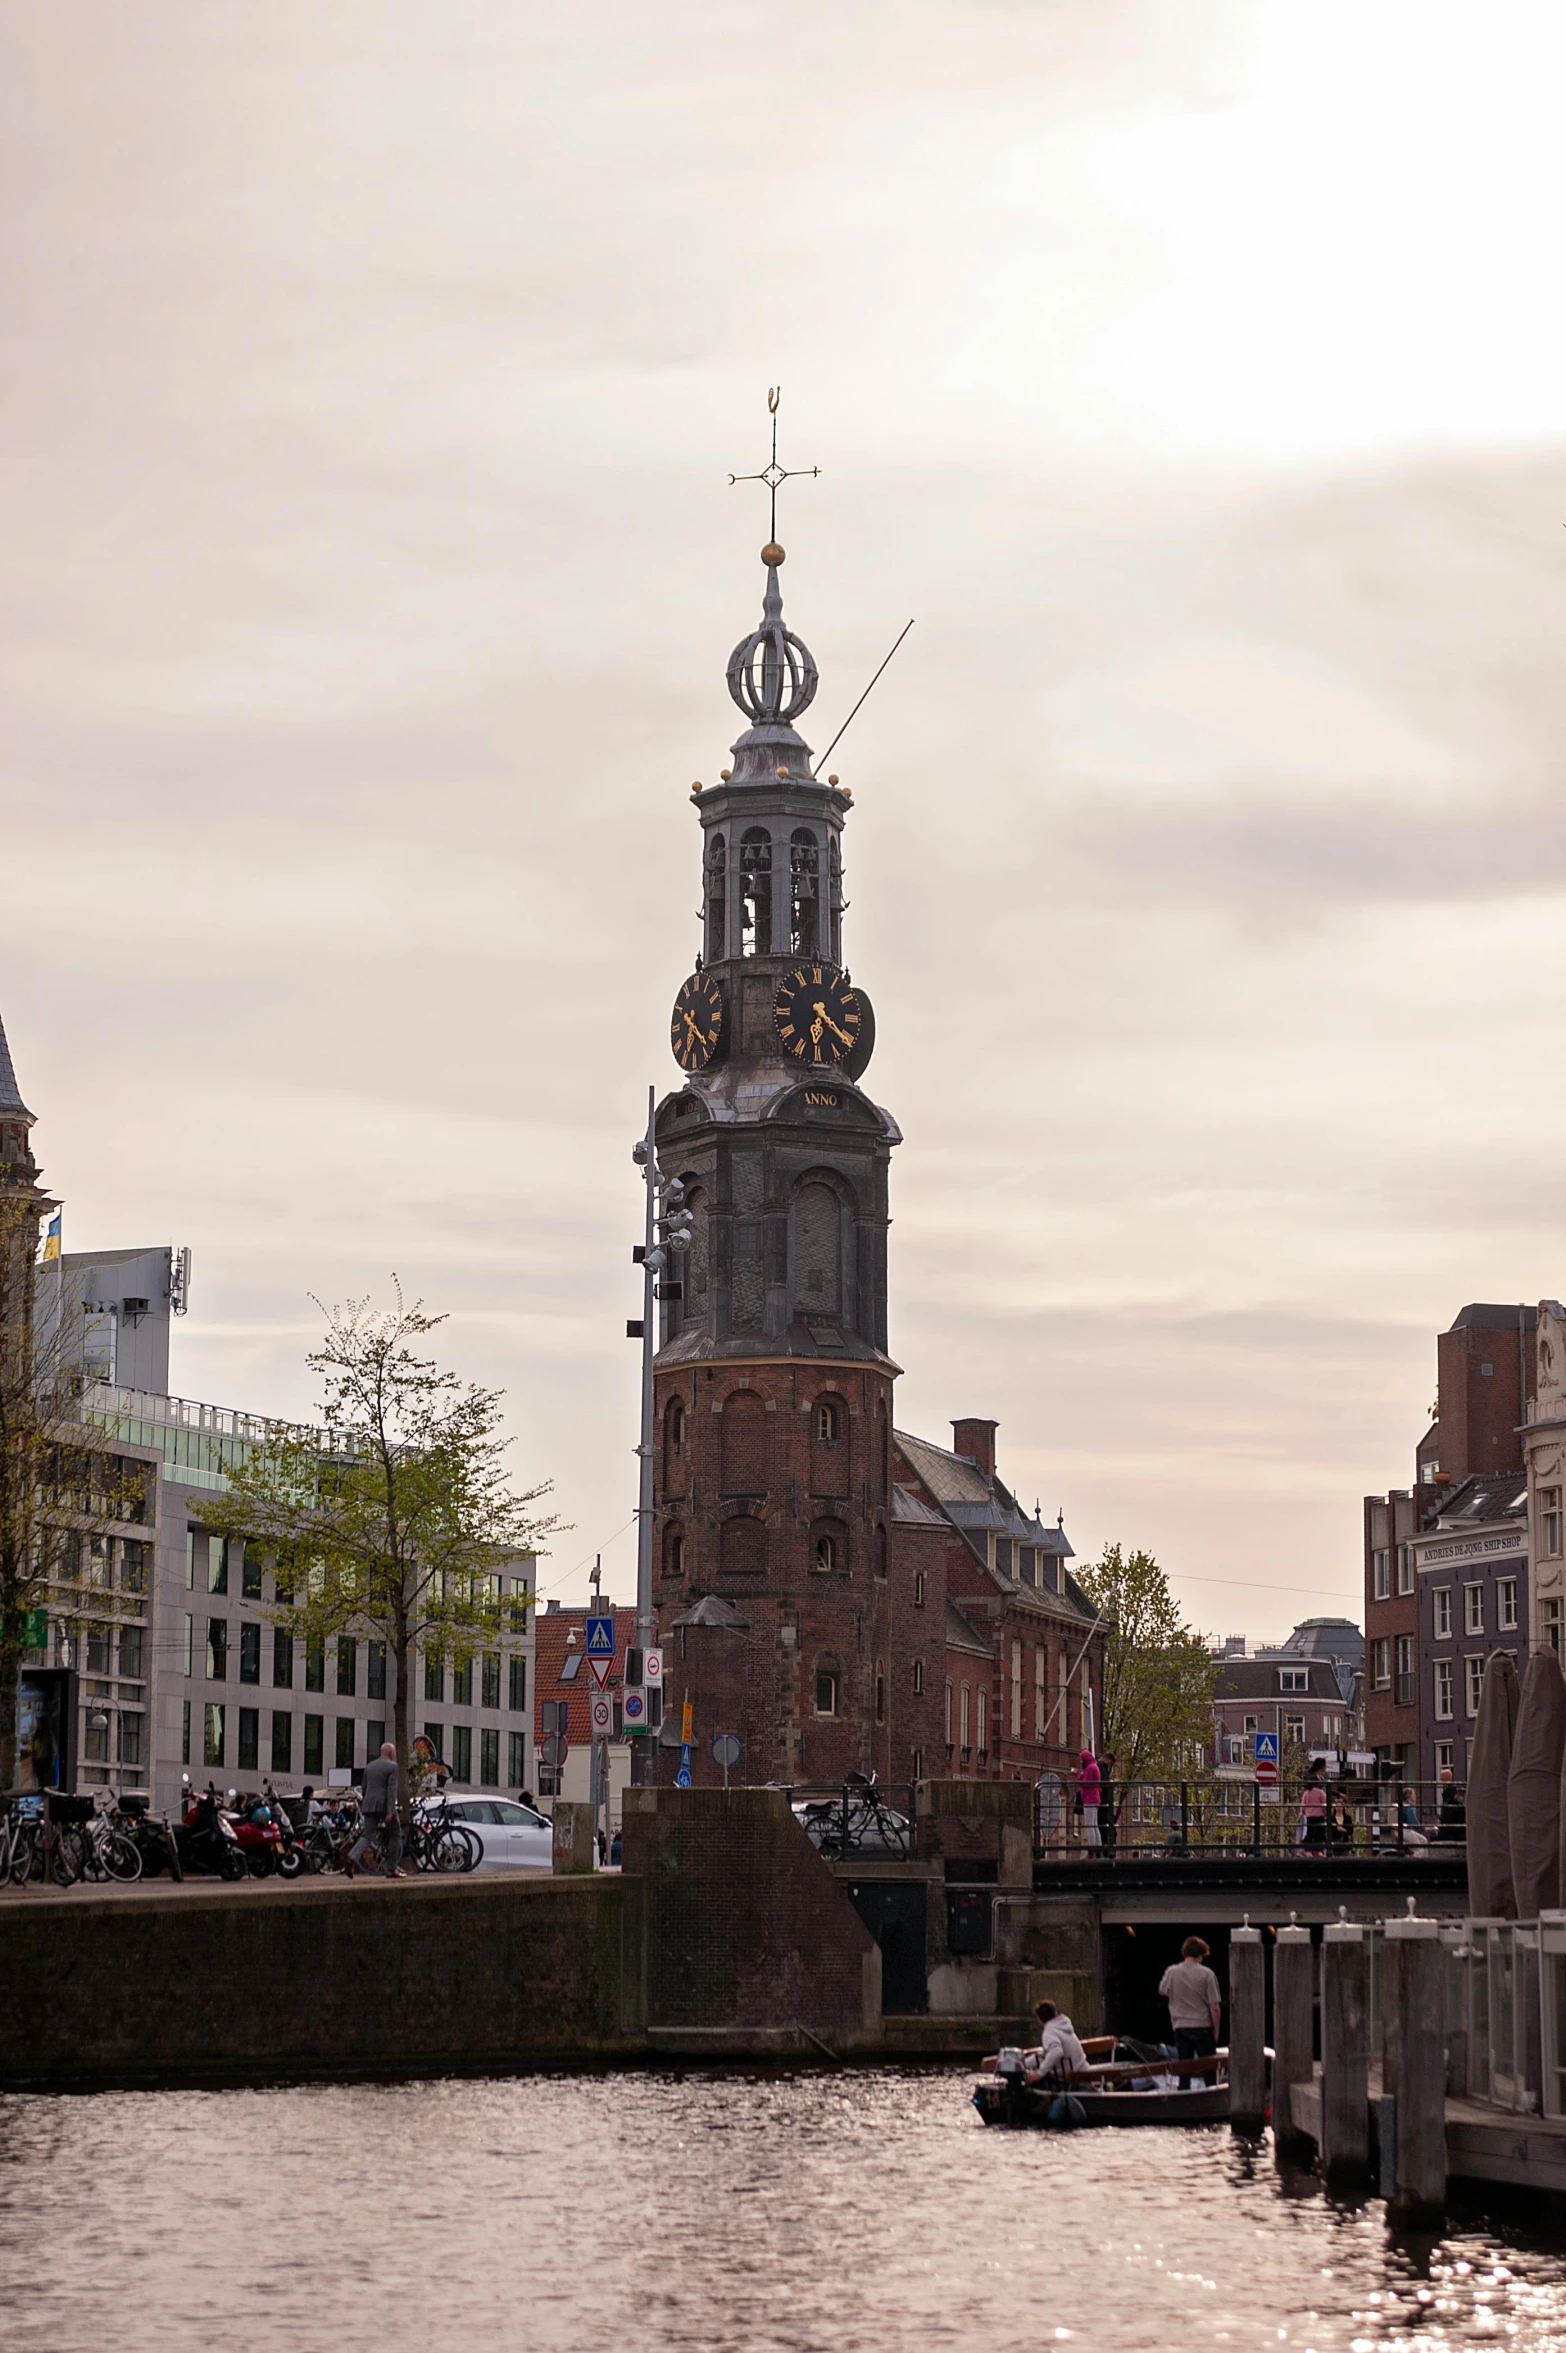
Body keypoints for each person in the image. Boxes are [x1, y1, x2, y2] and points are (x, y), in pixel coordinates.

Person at [1159, 1935, 1223, 2086]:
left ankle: (1184, 2098)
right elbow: (1214, 2006)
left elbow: (1162, 1991)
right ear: (1200, 1955)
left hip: (1181, 2026)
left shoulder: (1172, 1972)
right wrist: (1216, 2030)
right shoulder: (1207, 1974)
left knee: (1184, 2069)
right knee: (1209, 2069)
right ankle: (1211, 2097)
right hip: (1202, 2027)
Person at [345, 1742, 403, 1879]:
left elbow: (364, 1787)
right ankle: (391, 1869)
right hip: (384, 1805)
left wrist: (366, 1803)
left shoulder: (369, 1767)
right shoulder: (393, 1767)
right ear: (390, 1754)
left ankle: (351, 1857)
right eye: (393, 1753)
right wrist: (390, 1810)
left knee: (367, 1835)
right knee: (395, 1834)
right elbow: (391, 1790)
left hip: (369, 1805)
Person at [1025, 1998, 1089, 2081]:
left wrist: (1038, 2074)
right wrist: (1024, 2064)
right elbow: (1046, 2054)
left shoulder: (1050, 2032)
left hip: (1071, 2076)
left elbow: (1056, 2052)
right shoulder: (1063, 2027)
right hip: (1082, 2068)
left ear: (1039, 2020)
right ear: (1055, 2013)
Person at [1297, 1765, 1327, 1854]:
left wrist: (1304, 1812)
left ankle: (1308, 1850)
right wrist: (1325, 1813)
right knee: (1319, 1834)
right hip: (1319, 1816)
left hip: (1309, 1816)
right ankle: (1318, 1851)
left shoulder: (1306, 1793)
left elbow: (1303, 1805)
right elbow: (1324, 1804)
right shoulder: (1321, 1792)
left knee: (1309, 1833)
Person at [1076, 1751, 1102, 1850]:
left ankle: (1092, 1848)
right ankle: (1098, 1847)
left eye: (1082, 1759)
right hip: (1094, 1797)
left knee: (1090, 1825)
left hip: (1089, 1798)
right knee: (1094, 1825)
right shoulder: (1093, 1767)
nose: (1080, 1761)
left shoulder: (1090, 1768)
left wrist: (1077, 1775)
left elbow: (1086, 1783)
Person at [1436, 1768, 1466, 1845]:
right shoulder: (1449, 1790)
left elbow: (1449, 1806)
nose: (1440, 1778)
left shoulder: (1450, 1790)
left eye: (1441, 1776)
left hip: (1450, 1822)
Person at [1098, 1752, 1118, 1857]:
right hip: (1103, 1802)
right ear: (1107, 1759)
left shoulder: (1101, 1766)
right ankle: (1105, 1850)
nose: (1110, 1766)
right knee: (1104, 1826)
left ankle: (1105, 1849)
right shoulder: (1101, 1766)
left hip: (1103, 1802)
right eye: (1110, 1763)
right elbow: (1104, 1780)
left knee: (1105, 1826)